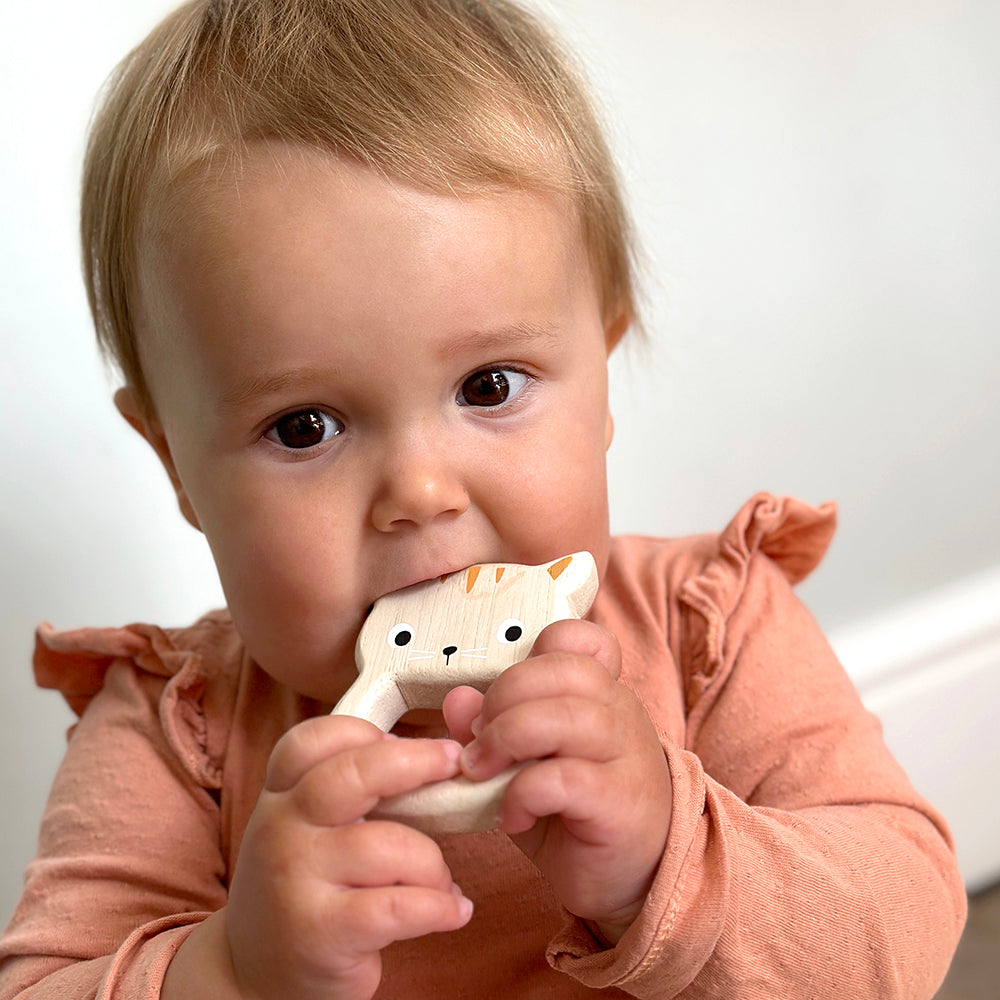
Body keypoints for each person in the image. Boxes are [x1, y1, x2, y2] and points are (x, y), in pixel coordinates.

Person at [0, 1, 966, 997]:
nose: (419, 493)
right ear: (175, 468)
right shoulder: (175, 733)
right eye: (303, 427)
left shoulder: (707, 630)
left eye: (489, 385)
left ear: (599, 372)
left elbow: (900, 933)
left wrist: (664, 857)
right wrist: (234, 971)